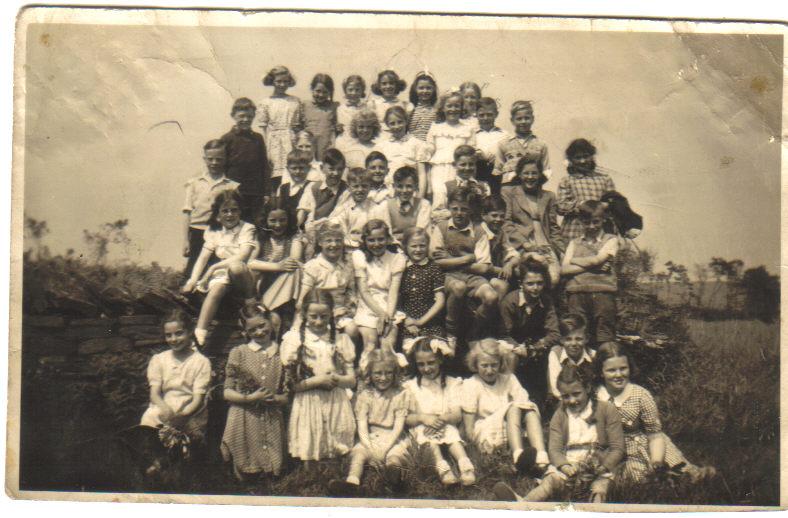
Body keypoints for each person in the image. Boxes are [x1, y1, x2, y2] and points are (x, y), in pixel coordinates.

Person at [493, 364, 624, 503]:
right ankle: (523, 504)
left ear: (588, 388)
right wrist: (564, 466)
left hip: (599, 467)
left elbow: (618, 447)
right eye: (566, 396)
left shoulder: (607, 410)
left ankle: (596, 510)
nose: (572, 400)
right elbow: (554, 449)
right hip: (570, 466)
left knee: (600, 489)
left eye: (576, 394)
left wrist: (603, 466)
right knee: (550, 482)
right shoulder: (560, 415)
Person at [595, 341, 716, 483]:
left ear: (630, 368)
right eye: (611, 370)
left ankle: (691, 475)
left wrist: (657, 460)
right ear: (600, 372)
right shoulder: (596, 396)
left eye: (623, 368)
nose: (618, 374)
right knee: (633, 478)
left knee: (675, 469)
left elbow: (654, 434)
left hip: (643, 443)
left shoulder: (640, 395)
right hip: (614, 449)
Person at [281, 290, 357, 462]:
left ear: (331, 313)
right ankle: (309, 476)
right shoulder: (295, 340)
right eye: (313, 316)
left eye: (324, 316)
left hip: (335, 399)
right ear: (304, 314)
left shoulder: (340, 339)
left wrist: (335, 379)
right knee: (310, 447)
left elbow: (351, 381)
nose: (319, 321)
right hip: (308, 399)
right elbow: (292, 385)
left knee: (336, 447)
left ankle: (335, 471)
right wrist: (318, 380)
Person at [328, 350, 412, 495]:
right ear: (370, 374)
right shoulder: (366, 395)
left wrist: (385, 448)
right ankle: (352, 482)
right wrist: (370, 447)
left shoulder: (400, 394)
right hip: (370, 437)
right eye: (378, 373)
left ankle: (394, 480)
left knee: (394, 456)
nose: (383, 378)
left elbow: (399, 425)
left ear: (395, 373)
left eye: (388, 373)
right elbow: (362, 425)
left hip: (393, 437)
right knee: (359, 455)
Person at [182, 190, 259, 347]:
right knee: (216, 288)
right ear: (218, 213)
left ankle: (250, 303)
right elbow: (203, 258)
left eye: (234, 210)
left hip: (243, 275)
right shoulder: (213, 231)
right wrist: (192, 280)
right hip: (223, 274)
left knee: (236, 267)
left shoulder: (247, 228)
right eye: (225, 211)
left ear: (240, 211)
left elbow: (242, 256)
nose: (229, 215)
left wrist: (212, 268)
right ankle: (199, 336)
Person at [461, 338, 549, 474]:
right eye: (484, 365)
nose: (489, 370)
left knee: (529, 409)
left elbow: (524, 403)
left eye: (494, 365)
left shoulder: (509, 378)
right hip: (487, 429)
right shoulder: (472, 384)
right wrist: (477, 445)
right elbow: (469, 428)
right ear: (475, 364)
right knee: (513, 407)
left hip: (511, 426)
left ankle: (542, 457)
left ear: (501, 363)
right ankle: (518, 455)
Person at [221, 307, 289, 481]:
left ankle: (270, 474)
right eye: (252, 330)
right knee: (246, 456)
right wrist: (249, 398)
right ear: (245, 331)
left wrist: (276, 399)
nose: (259, 332)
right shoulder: (239, 353)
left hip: (271, 412)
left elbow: (288, 394)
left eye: (262, 325)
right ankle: (246, 474)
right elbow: (227, 392)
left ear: (271, 322)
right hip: (245, 413)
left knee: (272, 467)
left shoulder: (283, 352)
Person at [140, 310, 211, 475]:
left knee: (185, 432)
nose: (174, 339)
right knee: (150, 418)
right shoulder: (159, 360)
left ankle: (175, 464)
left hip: (190, 408)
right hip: (165, 405)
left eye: (179, 333)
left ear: (190, 332)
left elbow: (198, 399)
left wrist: (183, 415)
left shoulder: (201, 362)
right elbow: (155, 394)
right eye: (169, 335)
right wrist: (165, 409)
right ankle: (155, 460)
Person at [403, 337, 475, 486]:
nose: (426, 368)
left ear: (440, 360)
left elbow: (456, 415)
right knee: (425, 436)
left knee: (452, 434)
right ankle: (443, 468)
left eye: (431, 362)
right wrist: (423, 418)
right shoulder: (411, 387)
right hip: (422, 425)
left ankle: (465, 466)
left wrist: (440, 421)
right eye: (421, 364)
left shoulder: (451, 383)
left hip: (445, 422)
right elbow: (407, 418)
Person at [430, 188, 497, 345]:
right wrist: (466, 259)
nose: (459, 213)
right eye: (455, 209)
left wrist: (451, 260)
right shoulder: (441, 227)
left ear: (471, 210)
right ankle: (451, 332)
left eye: (464, 209)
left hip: (472, 277)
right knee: (459, 287)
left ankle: (472, 332)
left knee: (491, 297)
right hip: (446, 276)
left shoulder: (479, 231)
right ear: (449, 208)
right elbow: (436, 262)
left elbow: (483, 268)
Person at [499, 258, 561, 410]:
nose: (535, 288)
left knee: (555, 352)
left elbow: (554, 333)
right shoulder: (510, 302)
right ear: (521, 284)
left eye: (539, 283)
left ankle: (551, 400)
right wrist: (518, 347)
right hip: (514, 346)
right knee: (510, 356)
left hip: (535, 346)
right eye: (530, 283)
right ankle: (506, 401)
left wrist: (535, 347)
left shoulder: (546, 301)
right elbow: (503, 334)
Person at [561, 200, 619, 347]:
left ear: (603, 219)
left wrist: (575, 260)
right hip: (576, 293)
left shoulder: (611, 240)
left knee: (604, 335)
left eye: (596, 222)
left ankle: (604, 367)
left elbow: (598, 259)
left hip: (603, 292)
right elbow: (564, 269)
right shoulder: (574, 243)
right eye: (587, 222)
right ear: (581, 221)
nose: (591, 226)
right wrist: (595, 266)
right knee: (578, 334)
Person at [502, 156, 563, 286]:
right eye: (526, 173)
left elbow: (553, 227)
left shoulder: (549, 196)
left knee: (553, 278)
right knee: (527, 277)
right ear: (519, 174)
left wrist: (561, 251)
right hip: (521, 244)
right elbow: (506, 223)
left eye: (534, 173)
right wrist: (525, 244)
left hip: (544, 245)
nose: (530, 177)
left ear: (540, 175)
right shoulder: (509, 192)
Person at [182, 139, 240, 275]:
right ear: (205, 159)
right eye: (210, 159)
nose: (214, 163)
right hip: (197, 232)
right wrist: (185, 240)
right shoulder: (193, 183)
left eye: (219, 159)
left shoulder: (232, 186)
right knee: (194, 269)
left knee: (216, 270)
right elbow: (187, 213)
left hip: (220, 232)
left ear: (225, 159)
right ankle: (188, 294)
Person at [352, 220, 407, 359]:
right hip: (368, 306)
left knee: (387, 344)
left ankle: (388, 377)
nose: (376, 244)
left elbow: (394, 290)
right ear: (365, 240)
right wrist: (380, 314)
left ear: (388, 239)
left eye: (380, 239)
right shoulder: (359, 256)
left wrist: (387, 316)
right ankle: (366, 376)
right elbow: (363, 291)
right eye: (371, 240)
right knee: (370, 344)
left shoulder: (397, 258)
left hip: (389, 306)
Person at [247, 198, 304, 328]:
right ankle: (273, 309)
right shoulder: (261, 237)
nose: (278, 225)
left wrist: (284, 266)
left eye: (282, 220)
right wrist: (277, 266)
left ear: (289, 220)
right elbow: (250, 262)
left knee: (296, 267)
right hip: (267, 282)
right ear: (265, 221)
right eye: (273, 220)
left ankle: (265, 307)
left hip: (287, 282)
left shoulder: (294, 235)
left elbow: (294, 259)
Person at [297, 221, 359, 340]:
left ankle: (347, 356)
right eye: (328, 240)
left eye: (338, 240)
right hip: (318, 313)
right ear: (320, 242)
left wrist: (348, 310)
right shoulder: (313, 266)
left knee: (352, 329)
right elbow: (302, 300)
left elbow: (351, 292)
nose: (334, 244)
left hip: (341, 312)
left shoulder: (347, 265)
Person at [220, 97, 271, 224]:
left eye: (249, 116)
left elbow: (264, 165)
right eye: (242, 116)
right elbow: (222, 167)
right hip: (235, 191)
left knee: (256, 224)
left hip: (256, 192)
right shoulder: (227, 139)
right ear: (233, 116)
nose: (246, 120)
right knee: (236, 223)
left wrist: (267, 192)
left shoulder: (258, 138)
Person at [424, 90, 477, 210]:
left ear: (462, 108)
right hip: (439, 170)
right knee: (439, 197)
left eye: (456, 106)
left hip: (459, 170)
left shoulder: (468, 129)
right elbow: (428, 154)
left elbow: (471, 156)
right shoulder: (435, 127)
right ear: (442, 108)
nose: (453, 109)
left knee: (458, 200)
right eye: (449, 105)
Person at [556, 138, 615, 241]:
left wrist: (603, 207)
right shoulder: (567, 181)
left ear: (592, 157)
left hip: (599, 229)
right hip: (574, 230)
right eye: (578, 158)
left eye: (586, 156)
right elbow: (561, 207)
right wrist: (584, 205)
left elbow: (614, 203)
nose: (582, 161)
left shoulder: (605, 179)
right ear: (571, 160)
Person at [396, 227, 447, 345]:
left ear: (428, 246)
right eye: (414, 246)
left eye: (422, 246)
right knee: (410, 350)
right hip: (406, 321)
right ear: (405, 247)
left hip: (430, 321)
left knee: (434, 349)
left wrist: (420, 322)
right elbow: (396, 299)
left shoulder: (433, 267)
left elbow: (440, 301)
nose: (418, 250)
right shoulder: (401, 267)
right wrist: (406, 320)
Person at [297, 148, 351, 254]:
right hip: (312, 233)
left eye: (339, 169)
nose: (335, 173)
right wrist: (298, 227)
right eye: (331, 169)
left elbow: (339, 217)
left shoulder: (346, 190)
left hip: (334, 234)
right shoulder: (313, 187)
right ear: (322, 168)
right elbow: (303, 212)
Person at [257, 66, 302, 191]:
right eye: (279, 81)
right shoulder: (266, 102)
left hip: (291, 140)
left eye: (285, 82)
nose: (282, 85)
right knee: (275, 177)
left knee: (292, 174)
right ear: (272, 82)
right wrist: (266, 150)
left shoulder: (294, 101)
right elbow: (263, 129)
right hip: (274, 143)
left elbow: (297, 126)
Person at [493, 100, 551, 188]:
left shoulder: (541, 144)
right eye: (519, 119)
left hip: (533, 190)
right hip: (510, 190)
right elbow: (497, 172)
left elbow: (546, 171)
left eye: (527, 118)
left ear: (532, 119)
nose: (523, 121)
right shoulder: (504, 144)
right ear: (512, 120)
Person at [372, 166, 432, 246]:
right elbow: (387, 234)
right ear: (394, 186)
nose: (404, 190)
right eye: (400, 186)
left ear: (416, 186)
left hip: (415, 247)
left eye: (409, 186)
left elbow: (419, 232)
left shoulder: (423, 205)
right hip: (393, 247)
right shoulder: (386, 205)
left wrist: (400, 237)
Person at [376, 106, 427, 196]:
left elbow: (422, 174)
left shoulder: (417, 144)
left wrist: (420, 197)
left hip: (410, 191)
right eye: (392, 123)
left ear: (406, 121)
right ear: (387, 125)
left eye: (400, 122)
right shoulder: (382, 146)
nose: (396, 126)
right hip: (389, 191)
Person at [547, 314, 596, 402]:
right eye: (568, 339)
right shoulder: (556, 354)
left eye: (578, 339)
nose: (573, 343)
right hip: (563, 401)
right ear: (561, 340)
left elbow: (597, 386)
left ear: (586, 339)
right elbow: (556, 389)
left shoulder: (593, 355)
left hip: (590, 402)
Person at [436, 144, 491, 218]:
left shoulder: (484, 186)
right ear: (454, 165)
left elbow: (487, 210)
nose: (467, 168)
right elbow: (438, 212)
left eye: (471, 164)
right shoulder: (446, 187)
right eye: (463, 164)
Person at [328, 167, 377, 250]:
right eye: (356, 186)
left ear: (370, 187)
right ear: (349, 187)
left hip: (368, 248)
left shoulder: (374, 208)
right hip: (346, 247)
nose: (360, 190)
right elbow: (335, 225)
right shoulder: (344, 207)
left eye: (364, 186)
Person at [474, 97, 509, 194]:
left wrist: (499, 159)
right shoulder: (472, 134)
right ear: (476, 115)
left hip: (497, 176)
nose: (485, 118)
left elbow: (509, 156)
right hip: (478, 173)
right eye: (482, 115)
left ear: (496, 114)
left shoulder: (504, 135)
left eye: (489, 115)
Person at [302, 73, 339, 160]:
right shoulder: (304, 105)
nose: (321, 95)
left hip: (326, 146)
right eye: (318, 91)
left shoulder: (334, 107)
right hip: (308, 147)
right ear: (312, 89)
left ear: (330, 92)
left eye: (325, 92)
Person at [276, 150, 316, 225]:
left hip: (302, 228)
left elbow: (303, 213)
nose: (297, 171)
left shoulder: (311, 186)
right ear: (287, 169)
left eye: (301, 168)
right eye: (294, 168)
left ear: (309, 168)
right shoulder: (282, 188)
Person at [407, 71, 438, 141]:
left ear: (433, 89)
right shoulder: (411, 109)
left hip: (430, 145)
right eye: (421, 88)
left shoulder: (436, 110)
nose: (425, 91)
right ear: (415, 89)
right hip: (413, 145)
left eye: (428, 88)